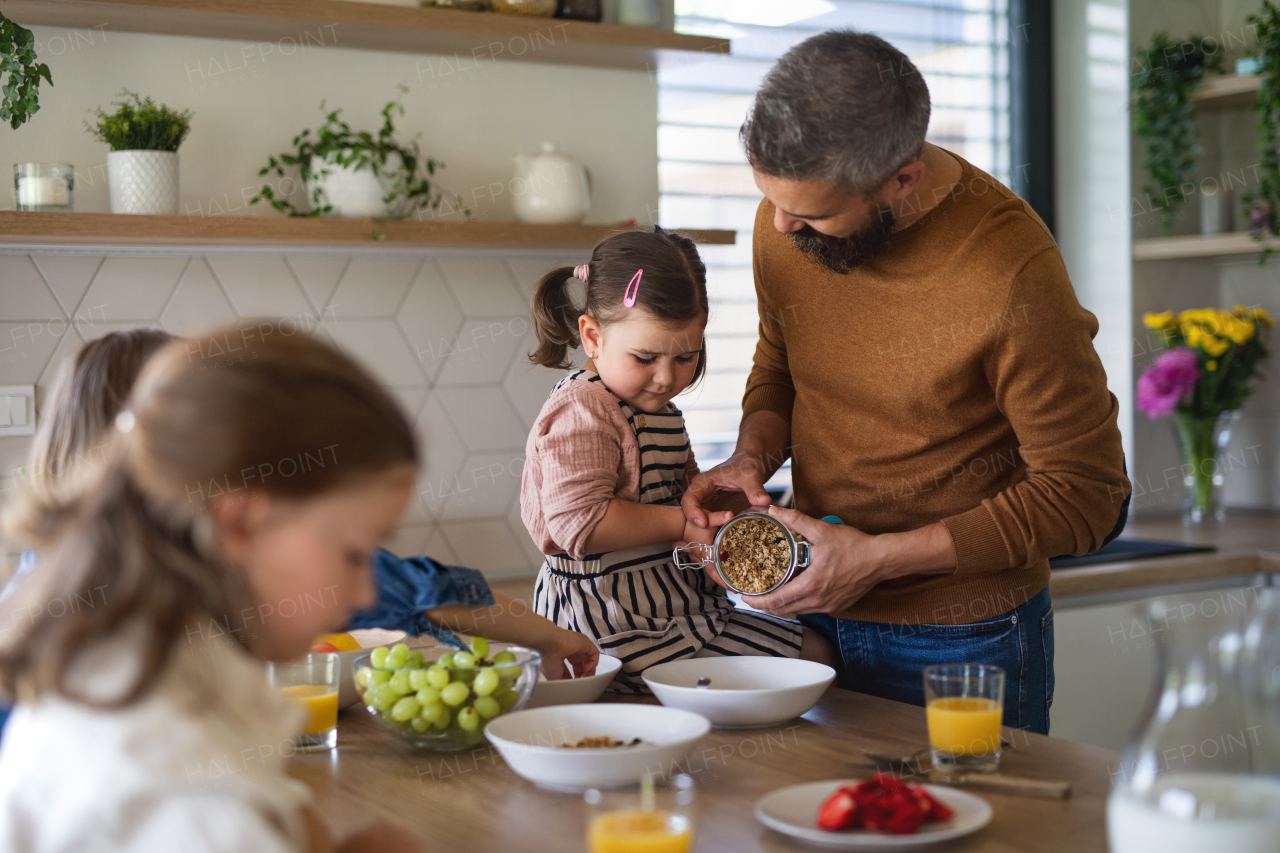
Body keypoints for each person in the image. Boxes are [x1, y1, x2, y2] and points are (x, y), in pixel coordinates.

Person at [681, 31, 1130, 734]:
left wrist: (879, 558)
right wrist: (750, 458)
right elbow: (780, 365)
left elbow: (1089, 495)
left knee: (980, 835)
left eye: (812, 214)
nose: (779, 223)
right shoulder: (788, 220)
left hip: (961, 635)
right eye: (769, 199)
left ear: (903, 179)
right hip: (813, 613)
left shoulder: (1011, 270)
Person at [0, 330, 597, 737]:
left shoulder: (46, 593)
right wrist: (547, 636)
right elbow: (420, 590)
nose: (359, 587)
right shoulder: (151, 727)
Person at [521, 227, 834, 694]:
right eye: (645, 357)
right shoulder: (583, 411)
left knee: (818, 653)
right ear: (592, 336)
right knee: (815, 657)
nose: (667, 378)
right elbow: (579, 524)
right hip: (606, 623)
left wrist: (721, 519)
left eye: (686, 356)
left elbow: (680, 500)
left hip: (674, 607)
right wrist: (682, 526)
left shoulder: (658, 409)